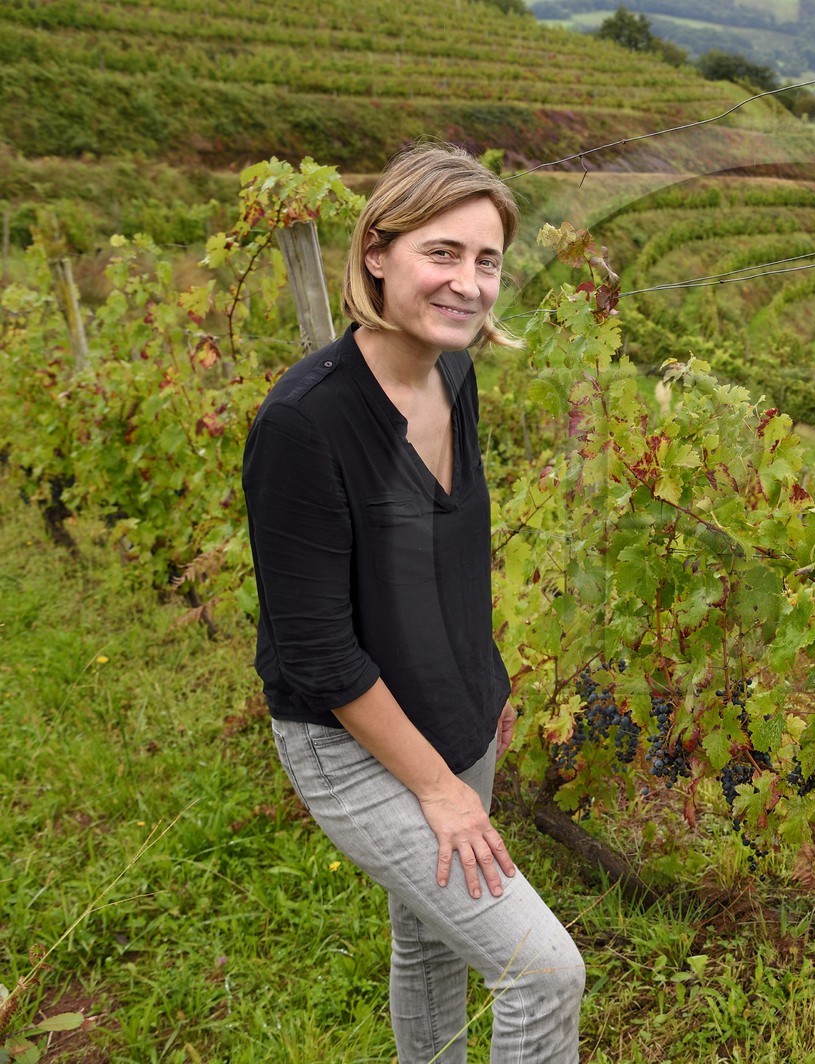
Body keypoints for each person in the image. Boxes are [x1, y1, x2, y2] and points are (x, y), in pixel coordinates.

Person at [242, 143, 584, 1063]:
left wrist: (485, 688)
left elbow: (452, 559)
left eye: (487, 261)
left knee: (429, 941)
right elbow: (319, 653)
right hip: (350, 743)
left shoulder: (452, 374)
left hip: (454, 715)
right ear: (378, 252)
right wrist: (441, 791)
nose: (468, 284)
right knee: (543, 972)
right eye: (443, 253)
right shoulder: (303, 424)